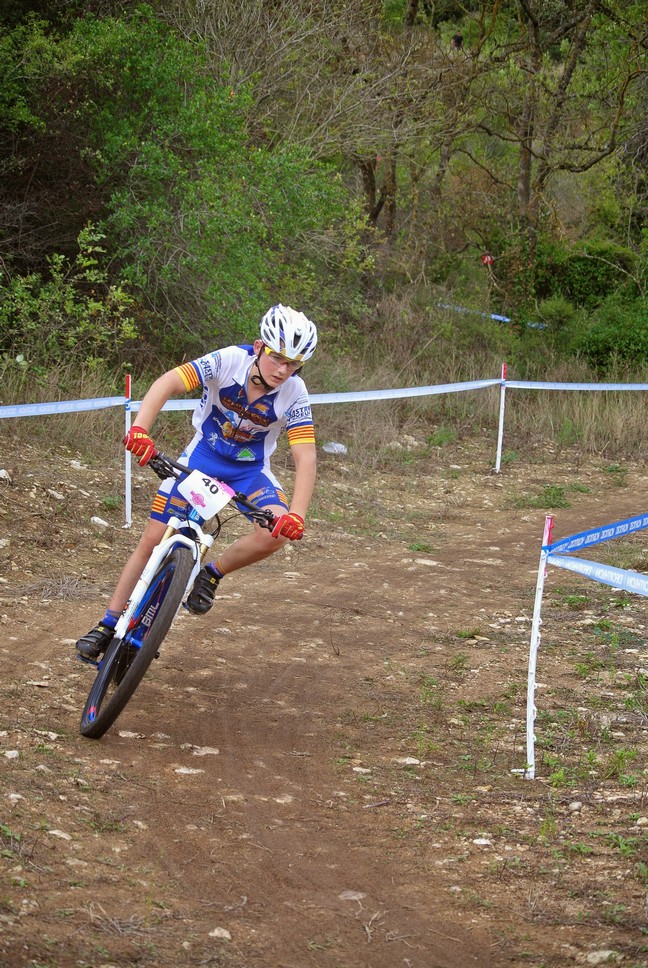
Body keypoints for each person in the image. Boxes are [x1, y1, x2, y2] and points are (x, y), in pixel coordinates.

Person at [76, 304, 318, 662]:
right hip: (201, 458)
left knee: (276, 533)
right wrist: (140, 429)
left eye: (293, 364)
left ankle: (212, 574)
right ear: (258, 347)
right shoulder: (229, 360)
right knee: (153, 539)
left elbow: (305, 454)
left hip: (250, 471)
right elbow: (169, 382)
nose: (283, 370)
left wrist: (297, 514)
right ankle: (107, 624)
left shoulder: (295, 392)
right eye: (277, 358)